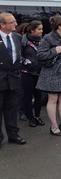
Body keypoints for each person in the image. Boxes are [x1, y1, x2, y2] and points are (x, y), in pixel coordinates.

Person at [36, 15, 61, 136]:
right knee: (53, 99)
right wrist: (54, 51)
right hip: (52, 72)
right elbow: (40, 55)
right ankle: (54, 127)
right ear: (59, 26)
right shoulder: (47, 38)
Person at [0, 13, 27, 145]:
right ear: (2, 25)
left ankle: (13, 135)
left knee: (12, 109)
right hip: (1, 77)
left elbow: (18, 55)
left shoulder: (17, 37)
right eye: (12, 22)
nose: (16, 25)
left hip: (14, 78)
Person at [20, 21, 45, 128]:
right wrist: (26, 61)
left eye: (42, 29)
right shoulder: (23, 41)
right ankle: (30, 118)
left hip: (39, 72)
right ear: (32, 30)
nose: (41, 31)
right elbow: (17, 55)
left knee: (39, 96)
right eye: (39, 29)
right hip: (27, 73)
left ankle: (37, 116)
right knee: (28, 96)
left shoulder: (42, 41)